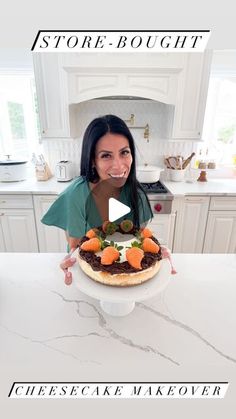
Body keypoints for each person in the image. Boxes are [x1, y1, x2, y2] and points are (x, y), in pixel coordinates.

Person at [41, 114, 153, 284]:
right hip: (89, 281)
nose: (118, 165)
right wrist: (69, 261)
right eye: (106, 155)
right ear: (93, 161)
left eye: (124, 152)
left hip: (128, 281)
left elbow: (139, 243)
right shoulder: (76, 196)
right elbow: (77, 249)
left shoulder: (135, 195)